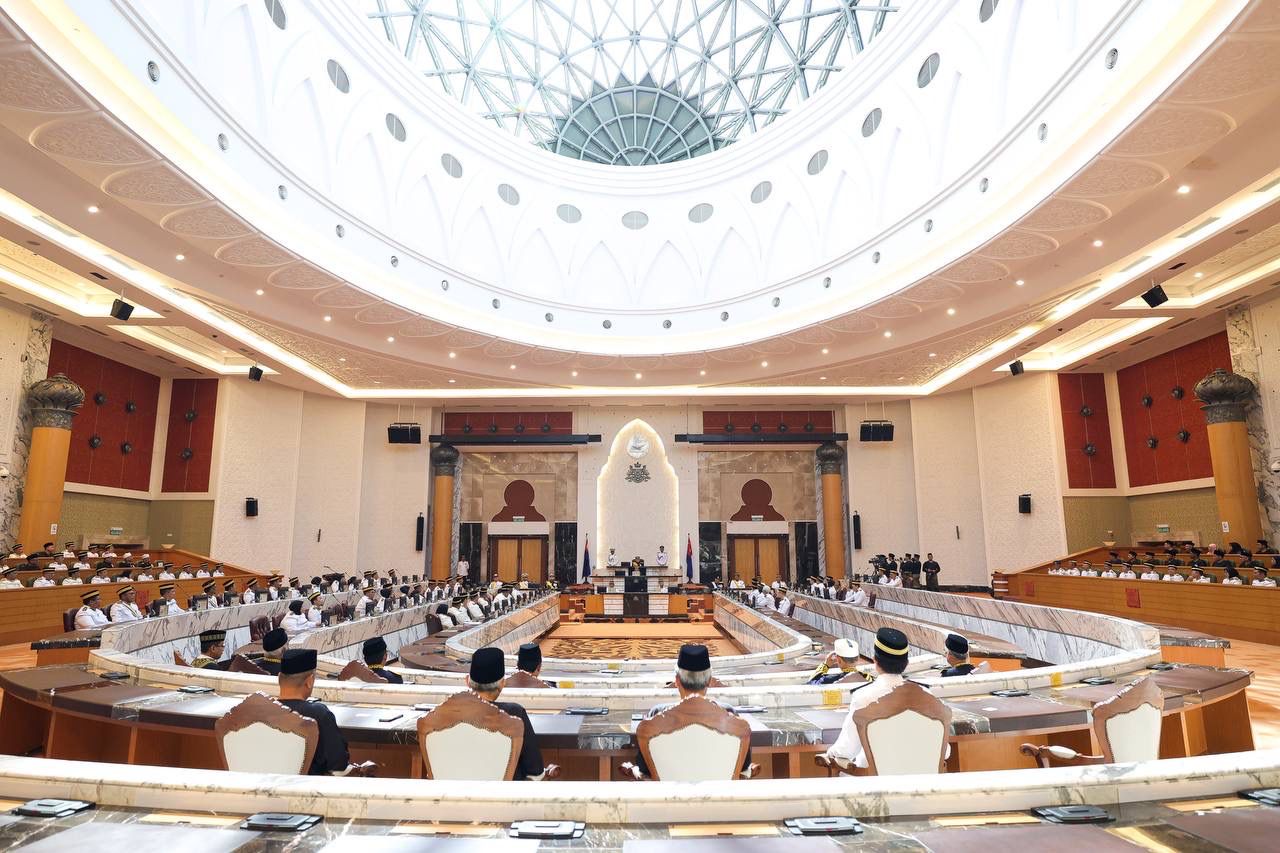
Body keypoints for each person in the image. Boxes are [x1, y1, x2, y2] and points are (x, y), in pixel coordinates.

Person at [629, 643, 751, 778]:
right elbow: (744, 767)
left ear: (677, 681)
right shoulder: (729, 715)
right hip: (720, 792)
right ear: (709, 681)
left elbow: (644, 769)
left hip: (670, 792)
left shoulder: (656, 714)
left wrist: (631, 770)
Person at [822, 627, 914, 770]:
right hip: (923, 780)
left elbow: (846, 750)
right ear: (906, 663)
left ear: (874, 660)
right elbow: (946, 752)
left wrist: (829, 754)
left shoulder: (864, 697)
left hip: (874, 780)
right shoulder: (926, 695)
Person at [276, 648, 367, 776]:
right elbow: (339, 766)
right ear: (309, 681)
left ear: (279, 678)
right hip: (307, 787)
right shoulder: (318, 714)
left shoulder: (261, 710)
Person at [467, 646, 550, 780]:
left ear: (467, 681)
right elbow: (535, 770)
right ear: (502, 684)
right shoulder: (514, 714)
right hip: (505, 792)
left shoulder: (444, 714)